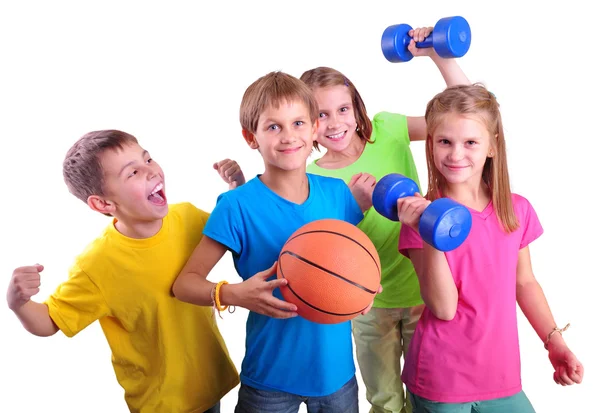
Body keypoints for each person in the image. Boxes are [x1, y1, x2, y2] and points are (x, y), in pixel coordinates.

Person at [172, 71, 379, 413]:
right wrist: (232, 293)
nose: (288, 137)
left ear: (314, 129)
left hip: (337, 376)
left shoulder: (338, 195)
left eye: (298, 123)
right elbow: (184, 285)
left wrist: (362, 290)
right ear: (250, 137)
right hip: (269, 378)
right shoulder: (236, 206)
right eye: (273, 127)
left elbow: (351, 265)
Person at [6, 129, 241, 413]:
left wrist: (236, 191)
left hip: (207, 384)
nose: (151, 171)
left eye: (148, 159)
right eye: (132, 173)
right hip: (160, 403)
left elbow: (230, 232)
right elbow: (50, 322)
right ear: (103, 204)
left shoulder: (188, 217)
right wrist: (18, 303)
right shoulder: (97, 265)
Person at [301, 26, 470, 413]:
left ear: (356, 107)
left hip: (424, 291)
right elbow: (320, 244)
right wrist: (355, 206)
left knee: (430, 396)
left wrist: (438, 56)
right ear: (307, 124)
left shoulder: (390, 129)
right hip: (366, 303)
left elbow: (461, 116)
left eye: (342, 109)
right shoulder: (313, 177)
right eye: (320, 115)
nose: (334, 122)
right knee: (384, 399)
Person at [396, 84, 584, 412]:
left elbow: (524, 283)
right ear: (430, 145)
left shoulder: (516, 210)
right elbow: (443, 308)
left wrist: (555, 342)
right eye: (445, 141)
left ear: (492, 146)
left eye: (470, 142)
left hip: (501, 374)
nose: (456, 154)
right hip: (442, 377)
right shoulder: (419, 217)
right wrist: (430, 232)